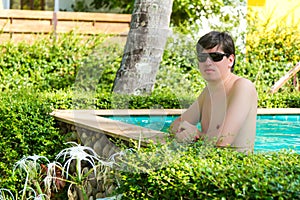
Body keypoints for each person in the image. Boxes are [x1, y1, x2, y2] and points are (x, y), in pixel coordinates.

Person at [170, 31, 257, 153]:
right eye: (202, 57)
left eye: (215, 56)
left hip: (236, 169)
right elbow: (175, 124)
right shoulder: (208, 92)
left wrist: (195, 134)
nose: (208, 62)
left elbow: (223, 141)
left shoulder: (242, 87)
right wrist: (184, 131)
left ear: (230, 60)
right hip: (210, 165)